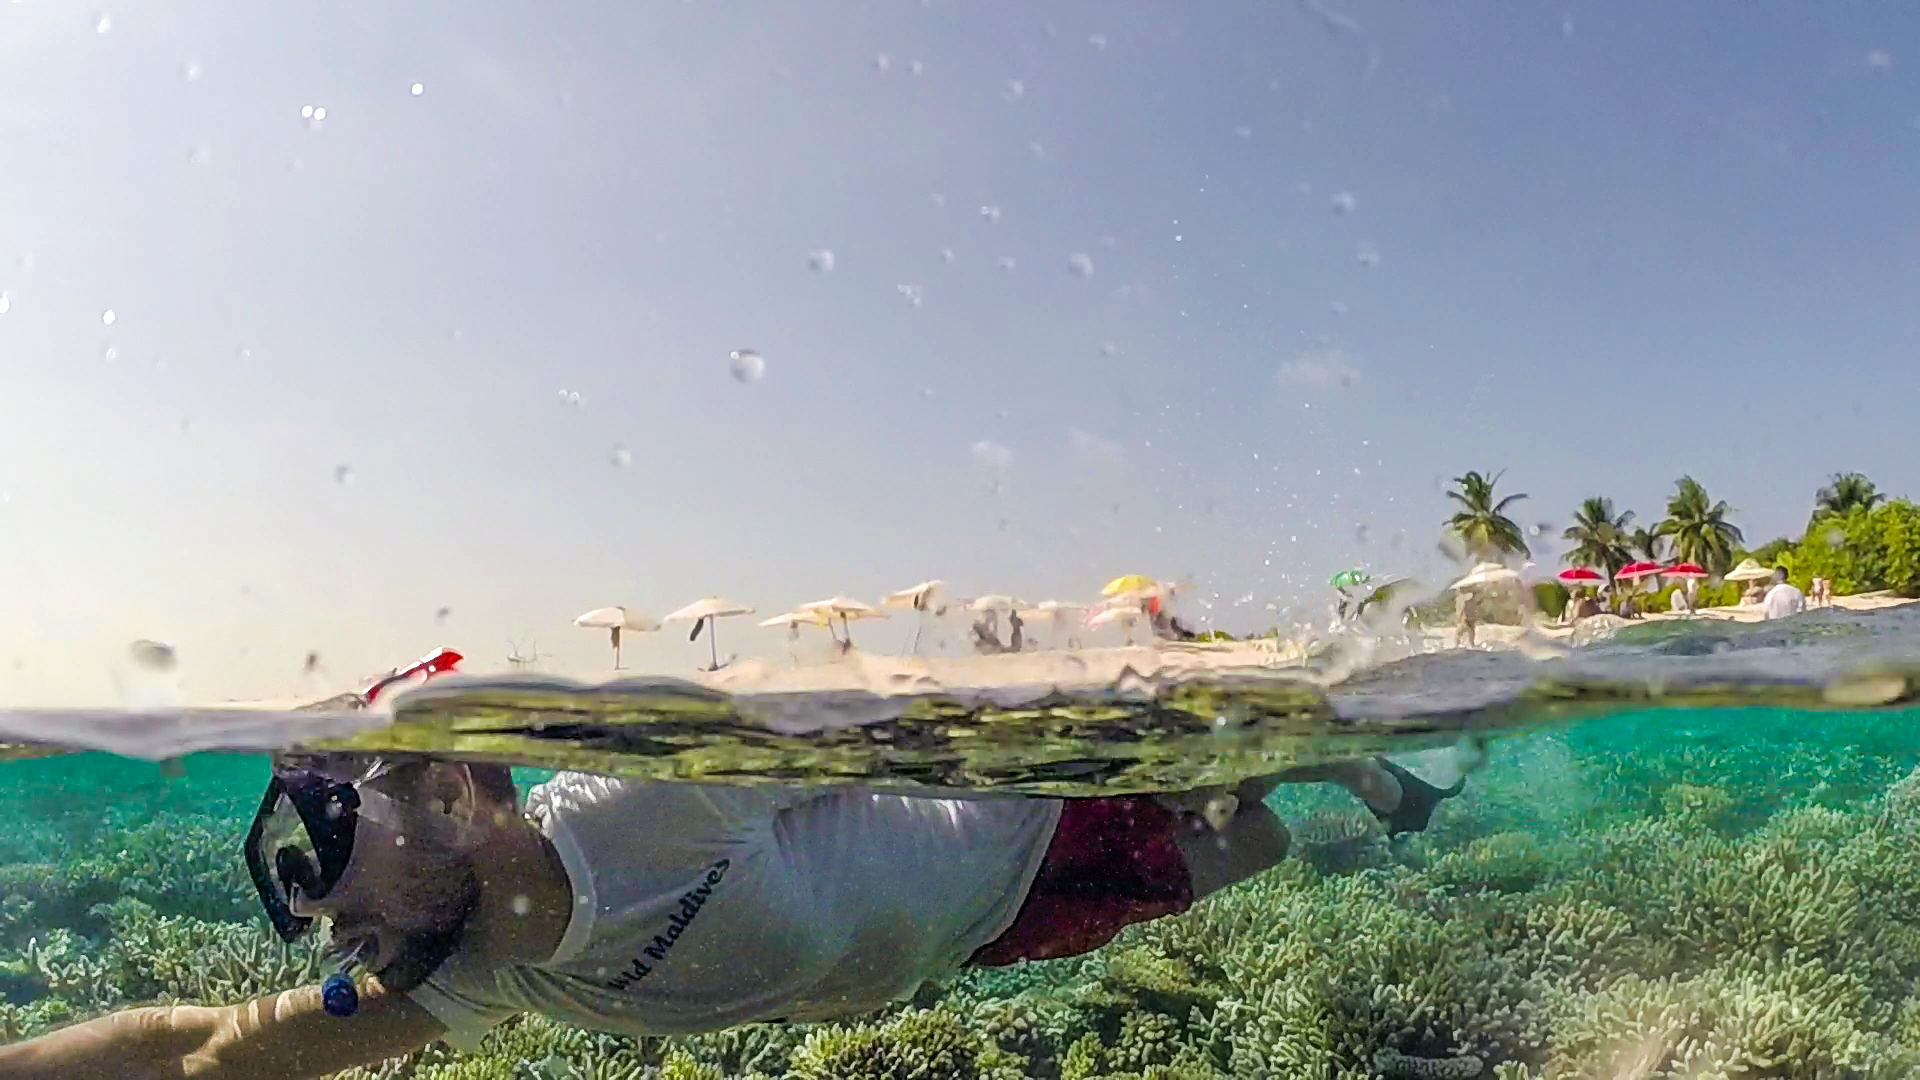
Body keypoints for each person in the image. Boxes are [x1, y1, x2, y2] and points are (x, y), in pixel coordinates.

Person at [0, 749, 1468, 1079]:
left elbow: (887, 714)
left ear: (458, 795)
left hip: (1028, 818)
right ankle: (1345, 817)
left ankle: (1361, 760)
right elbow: (199, 1049)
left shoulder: (641, 800)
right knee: (1261, 844)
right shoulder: (458, 975)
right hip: (981, 933)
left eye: (325, 844)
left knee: (1237, 781)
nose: (317, 914)